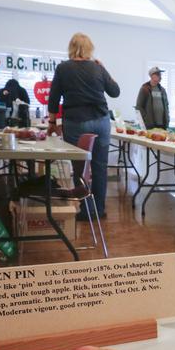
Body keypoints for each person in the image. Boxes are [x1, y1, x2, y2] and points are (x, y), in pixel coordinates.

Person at [47, 32, 120, 220]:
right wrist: (104, 69)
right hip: (101, 121)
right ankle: (99, 210)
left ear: (71, 47)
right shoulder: (97, 68)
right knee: (99, 167)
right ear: (90, 49)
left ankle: (85, 210)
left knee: (80, 168)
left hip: (76, 122)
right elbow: (115, 91)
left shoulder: (63, 68)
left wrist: (52, 123)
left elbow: (54, 98)